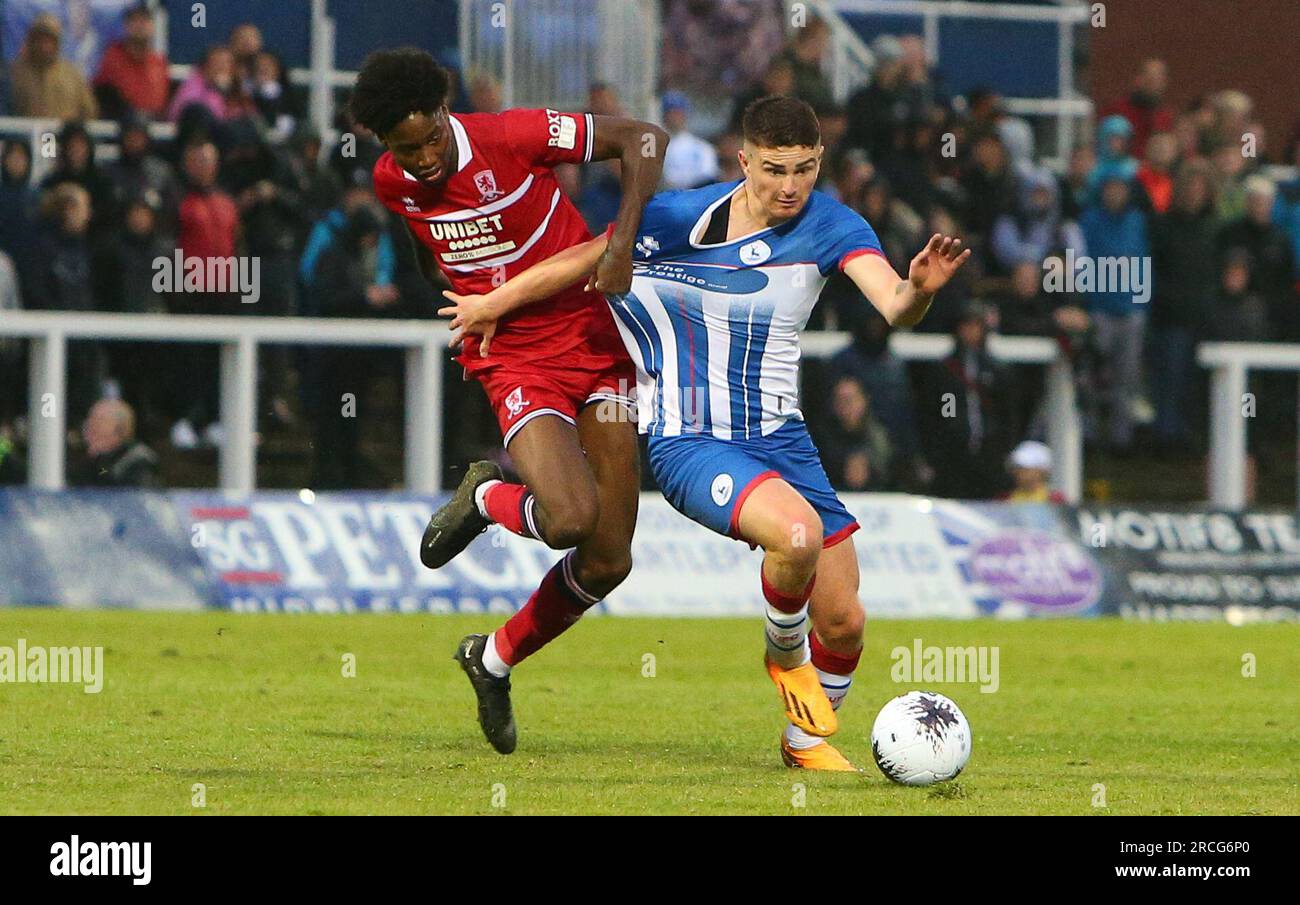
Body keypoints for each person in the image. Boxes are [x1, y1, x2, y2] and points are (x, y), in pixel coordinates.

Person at [439, 97, 971, 769]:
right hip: (689, 440)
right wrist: (492, 302)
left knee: (845, 621)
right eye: (775, 170)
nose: (790, 186)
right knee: (797, 537)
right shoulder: (669, 219)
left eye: (805, 169)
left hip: (784, 443)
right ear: (743, 160)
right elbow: (580, 262)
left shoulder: (833, 224)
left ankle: (803, 745)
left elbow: (894, 303)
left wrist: (920, 288)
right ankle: (784, 658)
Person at [349, 49, 666, 755]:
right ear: (382, 144)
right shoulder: (389, 182)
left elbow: (645, 138)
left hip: (594, 335)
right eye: (408, 148)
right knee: (570, 519)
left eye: (432, 135)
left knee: (610, 559)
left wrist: (622, 234)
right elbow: (431, 252)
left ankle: (490, 658)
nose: (426, 156)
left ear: (444, 109)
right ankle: (489, 493)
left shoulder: (514, 135)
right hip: (514, 354)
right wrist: (477, 295)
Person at [8, 13, 97, 121]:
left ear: (57, 43)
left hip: (62, 136)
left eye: (49, 40)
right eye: (39, 40)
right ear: (31, 41)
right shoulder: (14, 73)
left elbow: (89, 111)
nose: (44, 46)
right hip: (25, 136)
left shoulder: (72, 75)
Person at [93, 4, 170, 119]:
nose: (140, 25)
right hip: (122, 126)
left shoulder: (158, 62)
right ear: (126, 26)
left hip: (155, 126)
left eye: (145, 20)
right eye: (135, 20)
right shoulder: (113, 58)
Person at [74, 399, 160, 488]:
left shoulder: (139, 461)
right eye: (90, 420)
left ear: (121, 429)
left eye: (100, 421)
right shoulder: (92, 461)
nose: (90, 427)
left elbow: (137, 494)